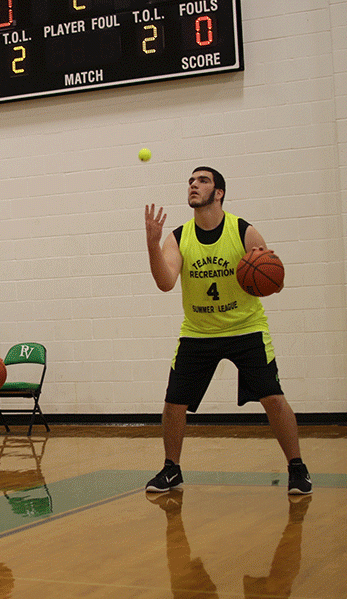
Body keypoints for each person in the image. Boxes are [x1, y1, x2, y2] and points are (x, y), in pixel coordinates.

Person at [143, 167, 311, 495]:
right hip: (198, 331)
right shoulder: (178, 237)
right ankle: (171, 470)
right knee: (173, 402)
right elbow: (165, 283)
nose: (193, 185)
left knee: (273, 398)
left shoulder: (244, 231)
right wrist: (151, 244)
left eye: (202, 180)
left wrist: (266, 279)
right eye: (191, 181)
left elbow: (276, 278)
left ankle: (297, 468)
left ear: (218, 192)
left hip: (246, 329)